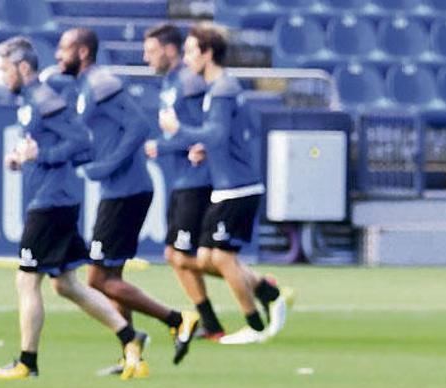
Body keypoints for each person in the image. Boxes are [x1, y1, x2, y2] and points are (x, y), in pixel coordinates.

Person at [0, 37, 149, 380]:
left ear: (24, 67)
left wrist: (41, 157)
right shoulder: (31, 100)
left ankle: (27, 363)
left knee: (26, 280)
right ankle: (129, 336)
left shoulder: (44, 98)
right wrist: (22, 159)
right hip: (51, 199)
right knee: (66, 284)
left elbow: (80, 141)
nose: (3, 76)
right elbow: (49, 145)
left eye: (5, 69)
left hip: (52, 203)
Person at [55, 28, 199, 364]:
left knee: (98, 279)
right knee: (110, 278)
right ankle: (131, 357)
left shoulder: (101, 82)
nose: (58, 55)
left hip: (126, 190)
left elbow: (138, 127)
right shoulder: (85, 86)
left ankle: (178, 320)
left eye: (64, 49)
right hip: (119, 190)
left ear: (83, 52)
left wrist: (106, 165)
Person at [158, 22, 292, 345]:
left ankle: (255, 326)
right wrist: (205, 147)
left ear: (208, 53)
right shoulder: (221, 89)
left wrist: (179, 130)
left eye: (191, 51)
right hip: (228, 185)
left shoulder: (221, 89)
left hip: (237, 186)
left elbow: (217, 133)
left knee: (219, 257)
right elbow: (234, 131)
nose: (186, 57)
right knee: (204, 257)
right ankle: (267, 292)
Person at [142, 24, 226, 349]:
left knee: (181, 254)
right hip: (181, 180)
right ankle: (212, 323)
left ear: (170, 49)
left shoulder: (189, 82)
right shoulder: (170, 83)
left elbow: (200, 131)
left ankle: (259, 286)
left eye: (151, 51)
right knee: (174, 254)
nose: (145, 57)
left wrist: (166, 146)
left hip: (196, 181)